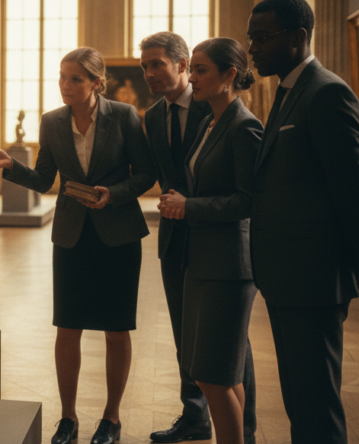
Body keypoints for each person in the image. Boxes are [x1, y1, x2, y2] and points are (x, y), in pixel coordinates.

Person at [0, 47, 155, 444]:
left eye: (75, 78)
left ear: (96, 83)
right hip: (71, 234)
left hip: (118, 234)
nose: (65, 85)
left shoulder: (123, 116)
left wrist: (115, 193)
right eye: (61, 76)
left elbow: (145, 174)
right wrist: (11, 166)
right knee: (67, 326)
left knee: (115, 328)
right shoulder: (52, 122)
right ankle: (68, 419)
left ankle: (111, 419)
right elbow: (42, 179)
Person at [248, 0, 359, 444]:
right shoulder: (287, 92)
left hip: (312, 279)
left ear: (298, 38)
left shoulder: (327, 92)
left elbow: (351, 189)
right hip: (285, 276)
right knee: (300, 402)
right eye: (251, 39)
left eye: (262, 38)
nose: (252, 48)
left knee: (317, 406)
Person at [139, 32, 258, 444]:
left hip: (223, 251)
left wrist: (190, 206)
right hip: (182, 243)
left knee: (226, 355)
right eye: (145, 66)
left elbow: (247, 197)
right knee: (191, 345)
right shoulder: (159, 116)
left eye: (157, 63)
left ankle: (245, 428)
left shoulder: (228, 119)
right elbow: (160, 174)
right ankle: (197, 418)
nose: (150, 73)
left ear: (184, 65)